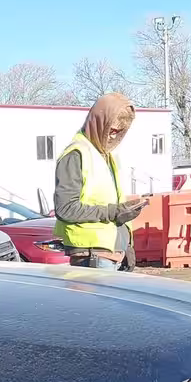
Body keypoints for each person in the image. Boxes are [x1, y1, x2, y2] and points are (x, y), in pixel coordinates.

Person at [54, 93, 149, 269]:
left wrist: (125, 245)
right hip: (91, 255)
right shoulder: (76, 154)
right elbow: (66, 209)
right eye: (111, 130)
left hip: (110, 255)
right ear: (99, 123)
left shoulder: (105, 156)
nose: (113, 137)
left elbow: (112, 207)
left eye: (119, 132)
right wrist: (114, 212)